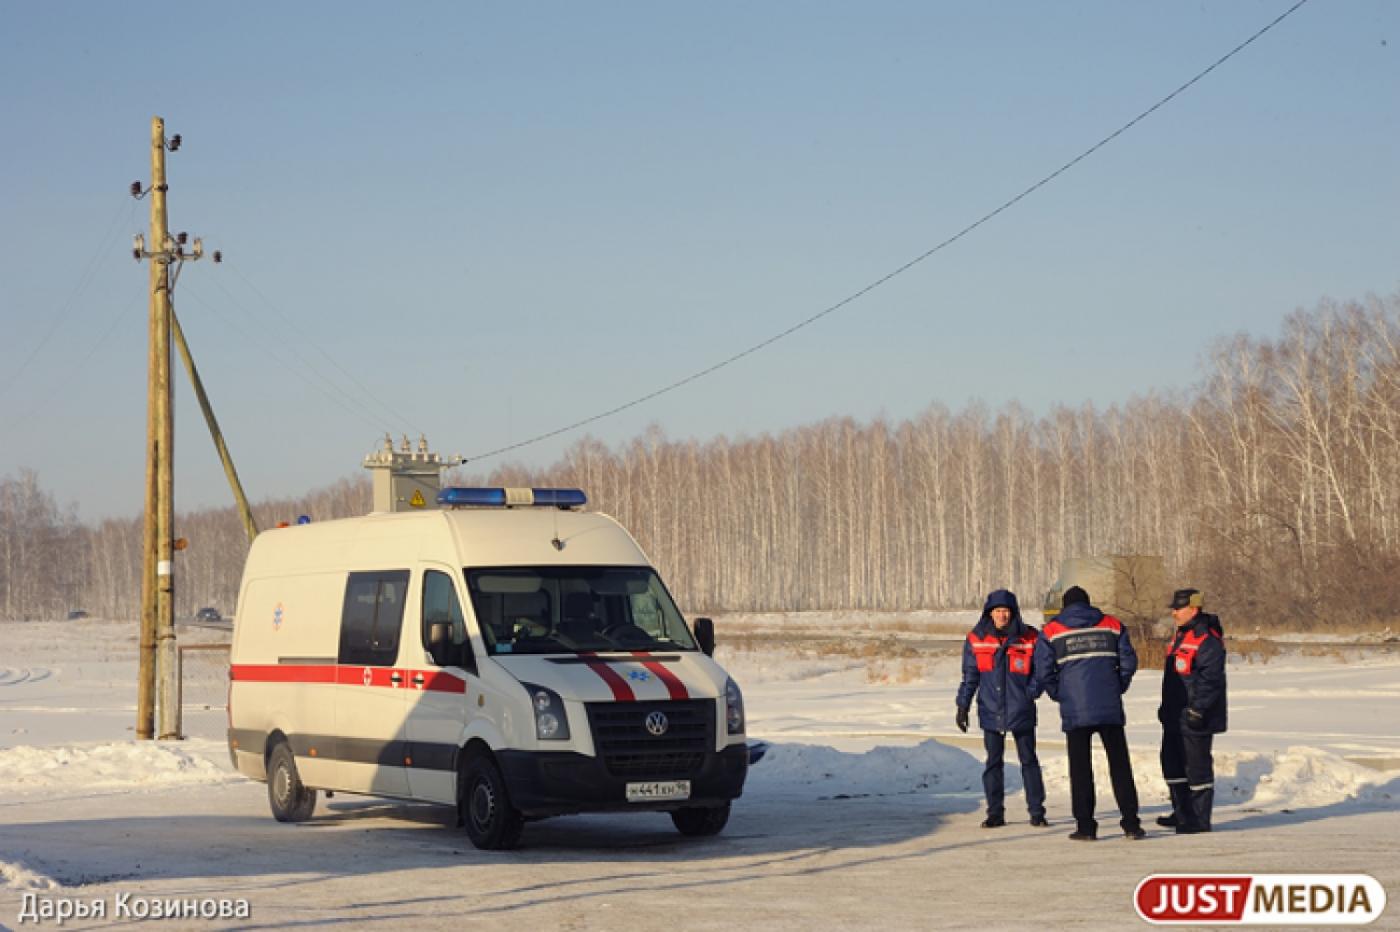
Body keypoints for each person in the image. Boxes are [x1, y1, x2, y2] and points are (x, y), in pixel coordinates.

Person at [1034, 585, 1145, 841]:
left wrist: (1059, 693)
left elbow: (1043, 671)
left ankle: (1086, 826)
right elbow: (1129, 661)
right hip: (1109, 706)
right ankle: (1131, 824)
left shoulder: (1051, 631)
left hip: (1075, 710)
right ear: (1089, 603)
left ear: (1064, 606)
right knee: (1120, 766)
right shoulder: (1112, 625)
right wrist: (1117, 686)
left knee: (1080, 769)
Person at [955, 589, 1047, 828]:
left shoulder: (1030, 637)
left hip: (1021, 709)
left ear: (1013, 613)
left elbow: (1041, 671)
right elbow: (970, 676)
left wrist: (1031, 692)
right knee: (993, 763)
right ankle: (995, 813)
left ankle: (1037, 811)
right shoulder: (977, 638)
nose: (1002, 616)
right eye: (997, 611)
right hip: (990, 709)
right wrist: (962, 705)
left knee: (1029, 760)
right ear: (990, 613)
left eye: (1006, 611)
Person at [1157, 588, 1227, 834]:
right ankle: (1182, 812)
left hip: (1196, 716)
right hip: (1175, 715)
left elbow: (1211, 679)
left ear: (1194, 609)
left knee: (1196, 767)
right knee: (1172, 763)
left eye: (1178, 608)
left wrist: (1198, 709)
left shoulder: (1206, 638)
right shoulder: (1180, 635)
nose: (1174, 612)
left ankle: (1199, 818)